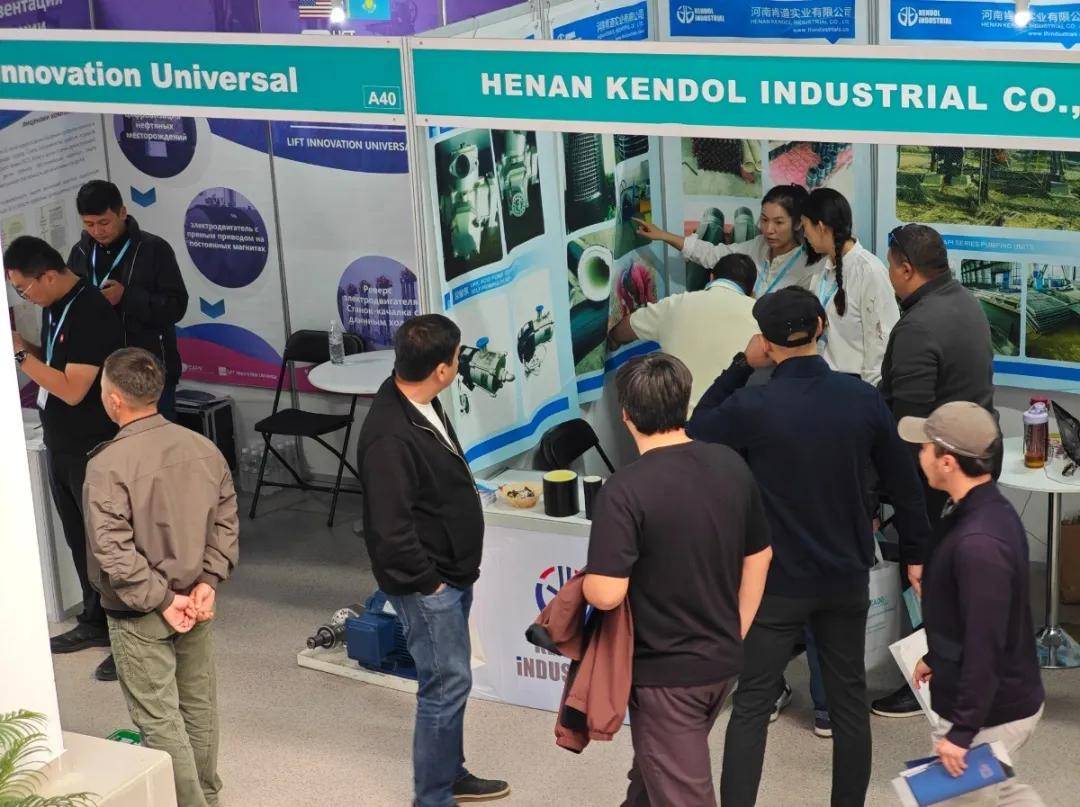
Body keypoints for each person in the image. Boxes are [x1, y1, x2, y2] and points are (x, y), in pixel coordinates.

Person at [688, 287, 931, 807]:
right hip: (845, 576)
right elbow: (905, 484)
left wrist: (739, 366)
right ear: (821, 325)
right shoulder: (860, 398)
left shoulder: (753, 405)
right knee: (848, 704)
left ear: (766, 343)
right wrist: (916, 553)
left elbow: (697, 427)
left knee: (752, 704)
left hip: (775, 582)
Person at [583, 353, 773, 806]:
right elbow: (760, 555)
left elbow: (606, 593)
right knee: (655, 775)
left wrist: (586, 582)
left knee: (679, 788)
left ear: (626, 416)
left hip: (665, 674)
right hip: (721, 660)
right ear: (685, 403)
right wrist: (736, 628)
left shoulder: (624, 489)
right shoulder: (730, 464)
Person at [356, 314, 509, 807]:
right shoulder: (389, 436)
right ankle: (433, 797)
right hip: (429, 584)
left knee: (452, 680)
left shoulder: (421, 402)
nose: (462, 362)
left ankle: (451, 773)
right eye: (458, 356)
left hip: (450, 571)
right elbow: (389, 529)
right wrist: (430, 583)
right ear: (442, 369)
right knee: (444, 685)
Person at [83, 347, 239, 807]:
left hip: (139, 611)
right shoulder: (203, 448)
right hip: (197, 600)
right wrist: (208, 581)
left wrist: (162, 600)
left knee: (159, 718)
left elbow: (113, 550)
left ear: (114, 400)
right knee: (198, 705)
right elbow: (226, 520)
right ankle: (207, 795)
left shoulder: (106, 465)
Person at [872, 223, 997, 720]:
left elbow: (910, 426)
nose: (888, 275)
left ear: (906, 268)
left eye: (890, 266)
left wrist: (896, 493)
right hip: (971, 459)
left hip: (935, 473)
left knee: (927, 575)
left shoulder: (919, 326)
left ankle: (931, 679)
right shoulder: (965, 302)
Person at [901, 402, 1045, 806]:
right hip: (990, 696)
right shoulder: (977, 507)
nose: (919, 454)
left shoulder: (979, 543)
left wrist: (962, 733)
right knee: (1001, 792)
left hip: (991, 713)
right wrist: (938, 655)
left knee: (958, 799)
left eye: (925, 447)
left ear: (947, 462)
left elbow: (986, 644)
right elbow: (972, 618)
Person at [6, 235, 123, 682]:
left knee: (106, 545)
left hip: (92, 443)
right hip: (61, 441)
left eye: (24, 288)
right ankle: (95, 621)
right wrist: (24, 346)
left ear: (49, 275)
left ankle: (128, 638)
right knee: (78, 538)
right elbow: (57, 362)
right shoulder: (55, 304)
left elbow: (73, 389)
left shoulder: (90, 310)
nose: (25, 297)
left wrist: (21, 355)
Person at [68, 180, 188, 419]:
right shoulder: (80, 252)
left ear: (122, 213)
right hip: (99, 373)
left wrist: (126, 297)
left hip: (150, 372)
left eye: (104, 222)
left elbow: (176, 306)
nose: (97, 231)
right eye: (89, 224)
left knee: (154, 439)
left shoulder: (154, 249)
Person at [607, 253, 759, 413]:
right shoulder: (759, 316)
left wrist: (614, 339)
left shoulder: (675, 304)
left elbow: (626, 328)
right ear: (752, 290)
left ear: (711, 277)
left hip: (673, 419)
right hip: (729, 419)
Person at [633, 183, 818, 296]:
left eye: (779, 222)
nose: (769, 230)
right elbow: (713, 254)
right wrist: (663, 235)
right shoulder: (758, 245)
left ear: (797, 223)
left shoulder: (807, 268)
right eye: (764, 220)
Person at [801, 188, 899, 385]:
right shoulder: (822, 268)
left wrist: (872, 392)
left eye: (805, 226)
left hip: (857, 385)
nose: (804, 234)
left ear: (820, 226)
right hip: (822, 380)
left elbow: (881, 342)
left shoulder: (869, 271)